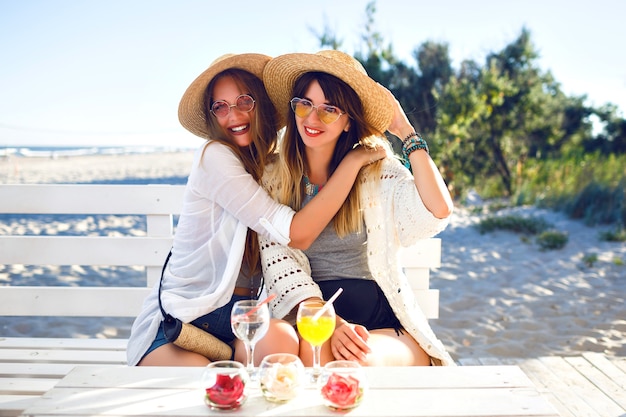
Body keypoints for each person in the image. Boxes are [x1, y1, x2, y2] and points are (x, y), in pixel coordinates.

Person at [126, 53, 386, 367]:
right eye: (220, 106)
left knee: (279, 345)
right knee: (204, 386)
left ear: (259, 104)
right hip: (184, 322)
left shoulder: (272, 168)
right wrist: (354, 160)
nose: (232, 115)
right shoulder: (215, 157)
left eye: (243, 101)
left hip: (243, 318)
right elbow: (295, 233)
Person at [259, 50, 456, 366]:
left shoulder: (377, 173)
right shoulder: (273, 178)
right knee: (310, 355)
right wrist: (331, 323)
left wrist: (406, 132)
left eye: (329, 110)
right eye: (304, 104)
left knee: (341, 363)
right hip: (310, 317)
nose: (312, 118)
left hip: (380, 326)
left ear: (348, 120)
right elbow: (281, 266)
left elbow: (438, 210)